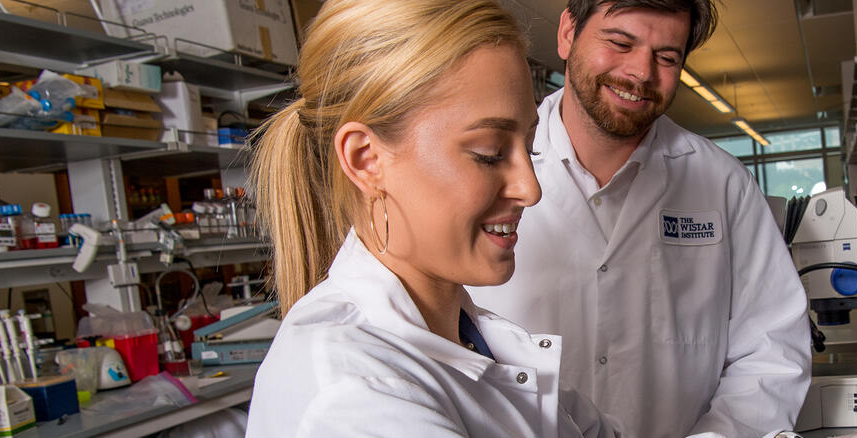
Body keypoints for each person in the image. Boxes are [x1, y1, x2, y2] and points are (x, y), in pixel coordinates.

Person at [244, 1, 613, 436]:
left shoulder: (469, 336)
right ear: (366, 160)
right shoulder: (353, 400)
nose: (530, 190)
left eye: (530, 148)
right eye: (489, 153)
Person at [466, 1, 813, 436]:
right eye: (620, 42)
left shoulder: (723, 183)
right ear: (568, 32)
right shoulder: (482, 169)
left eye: (667, 57)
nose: (642, 72)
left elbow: (772, 348)